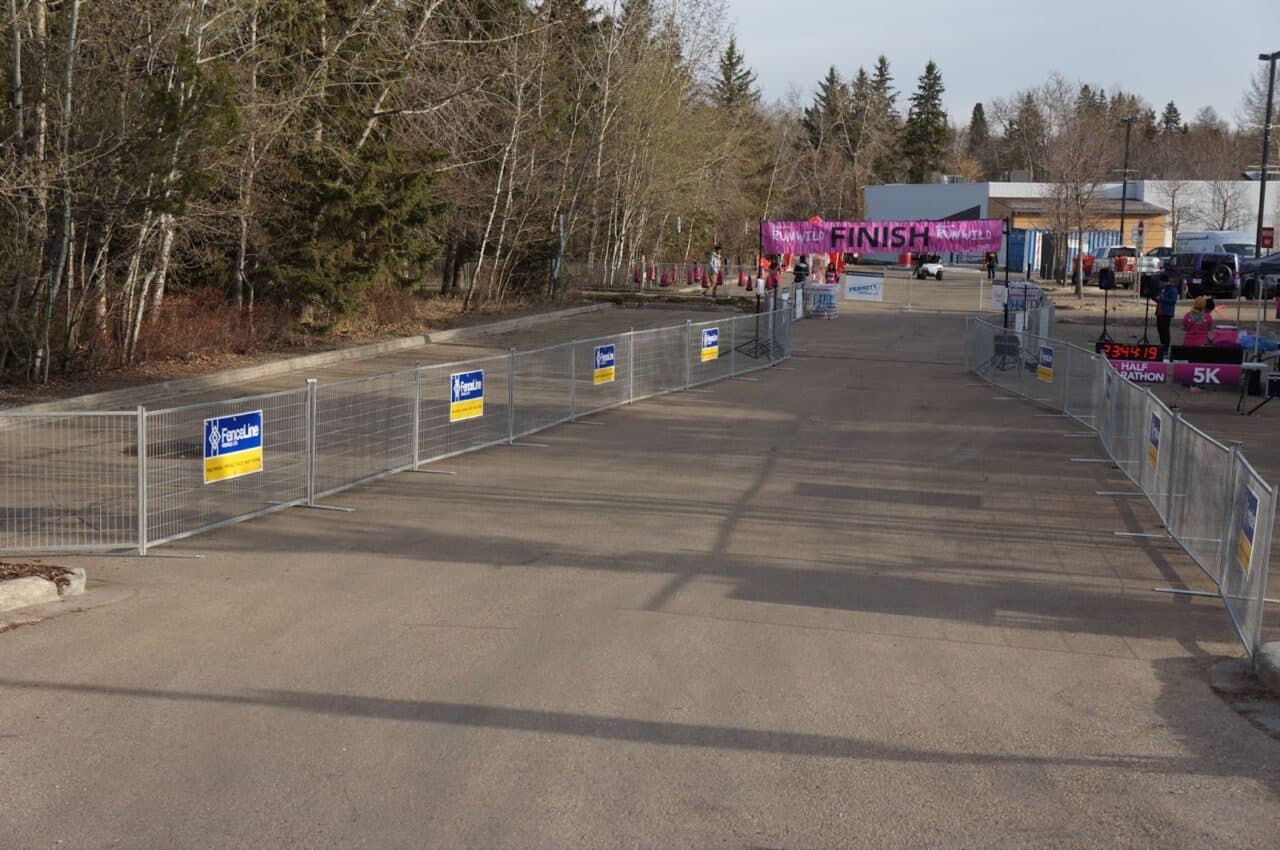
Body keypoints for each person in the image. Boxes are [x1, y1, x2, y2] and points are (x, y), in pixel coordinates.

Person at [1155, 272, 1179, 348]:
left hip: (1166, 313)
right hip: (1159, 312)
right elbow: (1160, 298)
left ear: (1165, 281)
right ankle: (1162, 345)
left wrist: (1162, 298)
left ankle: (1166, 347)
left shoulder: (1173, 289)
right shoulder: (1162, 288)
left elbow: (1173, 301)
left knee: (1165, 331)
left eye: (1162, 282)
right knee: (1160, 330)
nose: (1161, 283)